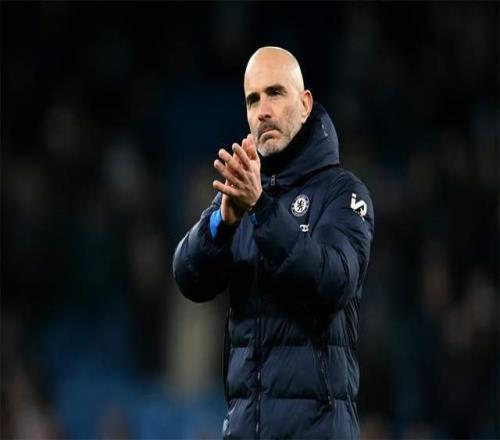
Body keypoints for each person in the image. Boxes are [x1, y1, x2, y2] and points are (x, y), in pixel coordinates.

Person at [173, 46, 374, 439]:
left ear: (305, 103)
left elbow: (332, 282)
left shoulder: (344, 194)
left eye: (275, 93)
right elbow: (187, 277)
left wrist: (262, 209)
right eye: (253, 100)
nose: (262, 110)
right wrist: (221, 224)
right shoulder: (243, 191)